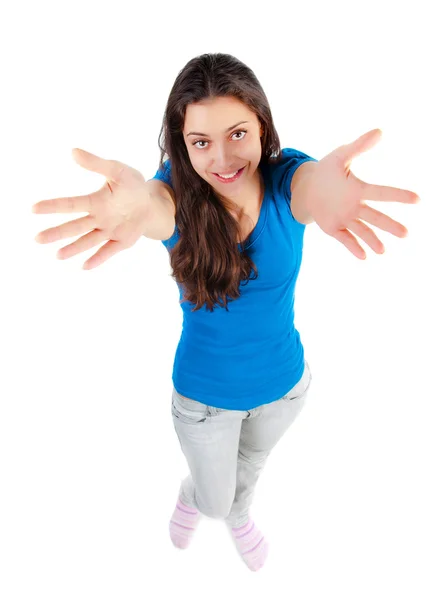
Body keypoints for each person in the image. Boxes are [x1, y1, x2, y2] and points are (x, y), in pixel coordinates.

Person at [32, 52, 420, 572]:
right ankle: (200, 500)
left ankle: (240, 511)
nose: (222, 159)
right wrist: (136, 210)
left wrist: (328, 192)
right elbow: (152, 205)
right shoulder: (174, 198)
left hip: (286, 388)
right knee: (215, 499)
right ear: (181, 143)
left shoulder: (287, 180)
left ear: (261, 124)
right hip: (205, 404)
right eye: (200, 142)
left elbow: (309, 188)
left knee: (250, 468)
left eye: (237, 134)